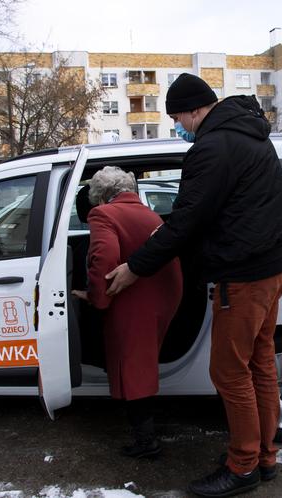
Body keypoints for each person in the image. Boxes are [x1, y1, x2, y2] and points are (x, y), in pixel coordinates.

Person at [105, 73, 282, 496]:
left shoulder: (212, 148)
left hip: (243, 274)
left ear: (195, 109)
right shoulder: (250, 134)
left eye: (177, 117)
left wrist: (136, 266)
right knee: (260, 363)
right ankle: (264, 457)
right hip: (274, 264)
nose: (178, 125)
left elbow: (187, 223)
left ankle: (242, 466)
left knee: (228, 371)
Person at [73, 166, 183, 459]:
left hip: (137, 297)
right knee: (139, 361)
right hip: (163, 294)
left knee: (134, 366)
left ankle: (147, 442)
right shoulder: (149, 212)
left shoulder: (103, 215)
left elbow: (103, 258)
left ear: (100, 196)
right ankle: (145, 434)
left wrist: (96, 298)